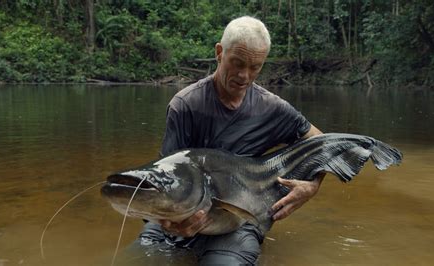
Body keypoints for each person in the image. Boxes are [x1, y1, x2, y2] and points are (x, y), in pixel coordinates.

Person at [137, 16, 324, 265]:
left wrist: (311, 186)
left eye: (255, 67)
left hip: (238, 219)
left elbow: (322, 143)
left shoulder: (273, 109)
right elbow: (166, 180)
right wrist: (169, 222)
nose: (244, 76)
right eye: (237, 63)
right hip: (185, 214)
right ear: (219, 52)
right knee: (139, 259)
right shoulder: (186, 105)